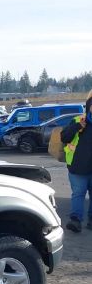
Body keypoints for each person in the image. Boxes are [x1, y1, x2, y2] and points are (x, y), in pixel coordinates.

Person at [61, 90, 92, 232]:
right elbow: (64, 137)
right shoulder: (78, 121)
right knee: (78, 194)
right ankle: (76, 220)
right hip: (78, 167)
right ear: (89, 105)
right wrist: (77, 127)